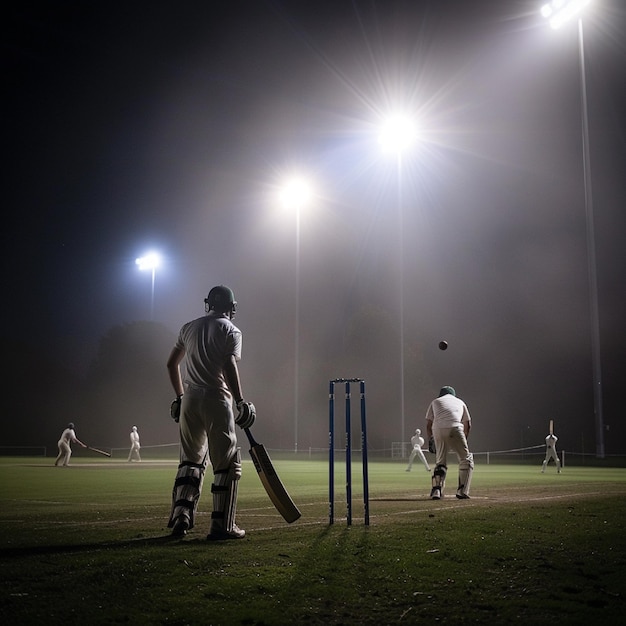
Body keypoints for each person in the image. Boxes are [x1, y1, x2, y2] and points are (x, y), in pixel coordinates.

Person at [165, 285, 256, 541]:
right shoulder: (231, 330)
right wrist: (240, 401)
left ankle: (181, 517)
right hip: (217, 399)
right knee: (226, 464)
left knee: (190, 462)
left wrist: (179, 397)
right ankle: (222, 526)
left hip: (190, 401)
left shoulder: (188, 327)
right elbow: (228, 365)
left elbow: (172, 363)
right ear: (231, 306)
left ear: (209, 304)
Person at [425, 386, 474, 500]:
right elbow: (468, 425)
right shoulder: (460, 402)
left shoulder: (435, 401)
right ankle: (462, 491)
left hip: (437, 429)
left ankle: (437, 490)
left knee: (440, 461)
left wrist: (431, 439)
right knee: (466, 459)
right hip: (455, 427)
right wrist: (463, 441)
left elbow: (428, 425)